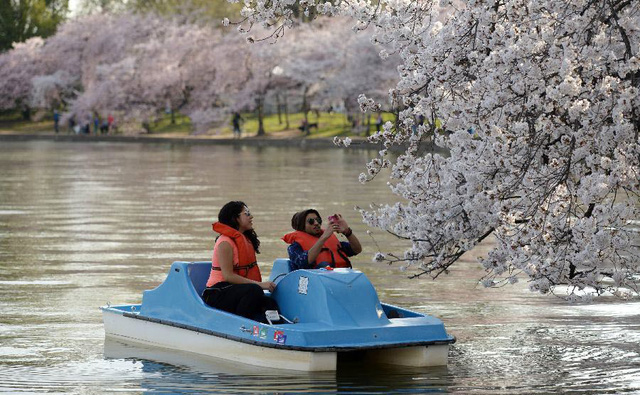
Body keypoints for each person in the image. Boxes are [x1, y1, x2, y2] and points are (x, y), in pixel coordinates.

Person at [201, 201, 279, 323]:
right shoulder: (225, 242)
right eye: (246, 214)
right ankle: (241, 327)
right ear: (235, 218)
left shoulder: (245, 240)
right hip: (216, 293)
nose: (251, 217)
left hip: (236, 289)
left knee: (269, 302)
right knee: (254, 291)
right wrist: (260, 284)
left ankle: (275, 332)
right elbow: (228, 276)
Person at [282, 209, 362, 271]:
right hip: (312, 285)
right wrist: (324, 237)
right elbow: (304, 261)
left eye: (318, 220)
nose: (316, 223)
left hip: (339, 280)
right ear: (301, 226)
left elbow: (357, 249)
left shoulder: (331, 242)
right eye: (311, 221)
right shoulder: (294, 247)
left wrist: (347, 231)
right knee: (324, 265)